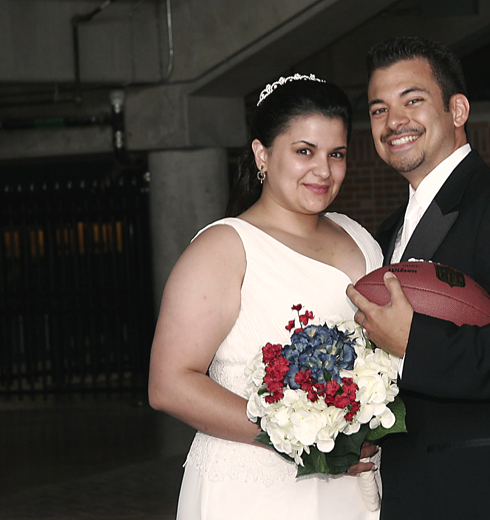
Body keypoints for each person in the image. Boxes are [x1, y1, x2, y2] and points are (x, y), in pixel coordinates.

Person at [346, 37, 490, 519]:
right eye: (379, 109)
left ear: (458, 109)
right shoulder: (388, 232)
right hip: (412, 489)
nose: (393, 122)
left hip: (485, 491)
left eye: (413, 101)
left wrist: (414, 344)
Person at [148, 74, 383, 520]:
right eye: (304, 152)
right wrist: (298, 436)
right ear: (262, 154)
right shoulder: (223, 248)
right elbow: (169, 384)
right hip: (252, 490)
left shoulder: (359, 238)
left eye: (337, 154)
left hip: (352, 485)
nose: (324, 170)